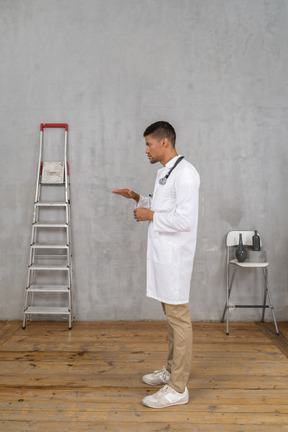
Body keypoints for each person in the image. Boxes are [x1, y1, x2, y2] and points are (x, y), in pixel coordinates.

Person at [112, 121, 200, 409]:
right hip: (163, 258)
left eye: (149, 144)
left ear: (164, 142)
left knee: (179, 320)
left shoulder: (186, 174)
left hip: (175, 259)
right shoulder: (166, 173)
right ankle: (171, 371)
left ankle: (178, 388)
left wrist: (149, 216)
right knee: (170, 318)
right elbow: (163, 209)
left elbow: (185, 221)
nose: (145, 150)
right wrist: (137, 198)